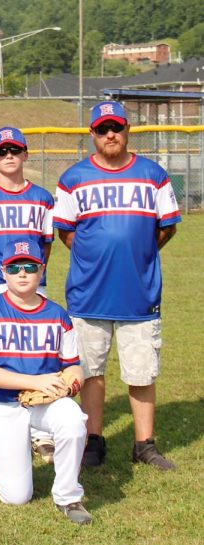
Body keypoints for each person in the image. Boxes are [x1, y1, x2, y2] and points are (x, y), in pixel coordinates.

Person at [53, 100, 181, 470]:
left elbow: (167, 226)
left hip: (138, 293)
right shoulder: (74, 178)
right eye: (102, 129)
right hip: (89, 293)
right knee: (90, 372)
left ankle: (144, 444)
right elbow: (66, 231)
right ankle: (94, 440)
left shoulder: (152, 174)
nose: (111, 134)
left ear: (127, 130)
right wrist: (96, 256)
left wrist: (137, 254)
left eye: (117, 127)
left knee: (141, 373)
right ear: (92, 134)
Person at [0, 239, 91, 525]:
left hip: (44, 401)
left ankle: (68, 496)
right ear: (3, 271)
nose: (22, 273)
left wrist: (70, 385)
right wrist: (34, 381)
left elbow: (73, 367)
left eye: (30, 266)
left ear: (42, 269)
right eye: (14, 267)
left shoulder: (58, 315)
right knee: (16, 496)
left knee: (73, 419)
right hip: (2, 403)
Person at [0, 127, 56, 471]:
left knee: (37, 353)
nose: (9, 156)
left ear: (25, 155)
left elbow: (46, 244)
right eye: (2, 151)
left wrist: (37, 275)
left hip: (34, 283)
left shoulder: (43, 199)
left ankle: (39, 429)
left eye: (15, 150)